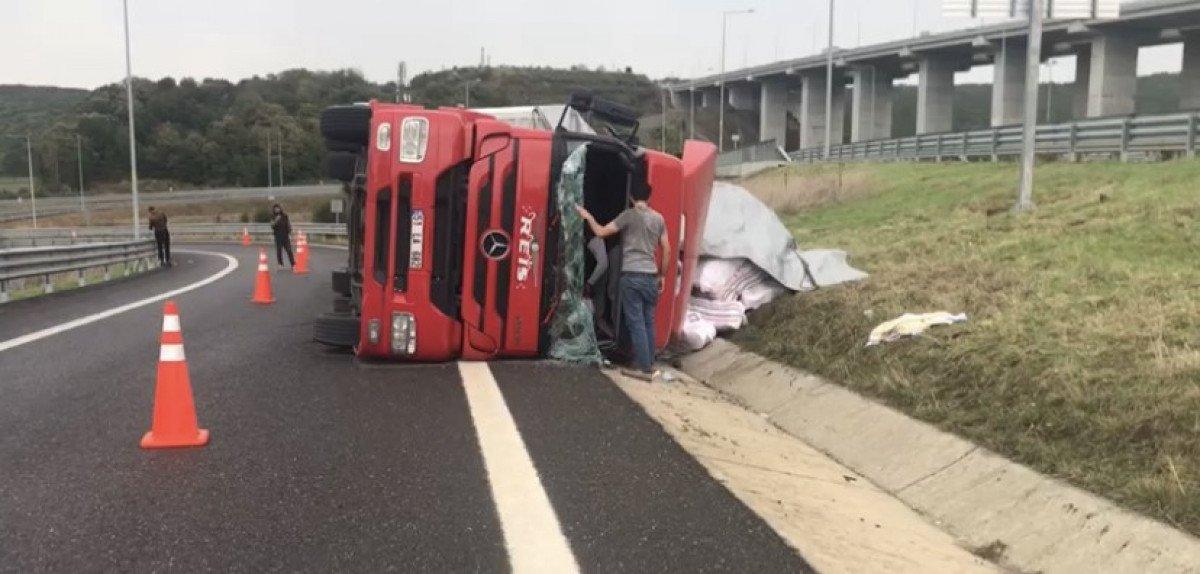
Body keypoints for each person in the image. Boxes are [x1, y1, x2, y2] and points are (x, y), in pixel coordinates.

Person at [576, 186, 669, 381]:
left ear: (632, 197)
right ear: (649, 196)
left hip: (632, 275)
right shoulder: (659, 218)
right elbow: (666, 249)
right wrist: (662, 275)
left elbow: (601, 232)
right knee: (648, 320)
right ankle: (649, 362)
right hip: (650, 276)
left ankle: (644, 368)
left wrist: (588, 216)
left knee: (635, 322)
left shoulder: (628, 215)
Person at [270, 203, 295, 269]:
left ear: (280, 208)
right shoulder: (273, 216)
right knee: (279, 251)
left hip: (285, 236)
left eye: (278, 208)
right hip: (278, 236)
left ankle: (293, 264)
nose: (277, 210)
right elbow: (272, 225)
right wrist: (276, 220)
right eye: (275, 209)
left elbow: (288, 224)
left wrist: (290, 232)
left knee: (289, 250)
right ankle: (280, 264)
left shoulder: (285, 216)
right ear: (274, 210)